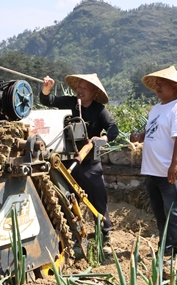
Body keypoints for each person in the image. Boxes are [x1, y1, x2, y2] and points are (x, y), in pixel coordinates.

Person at [40, 73, 118, 255]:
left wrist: (103, 138)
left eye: (85, 88)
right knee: (67, 200)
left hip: (90, 163)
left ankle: (105, 236)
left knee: (98, 200)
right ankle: (73, 237)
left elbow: (113, 128)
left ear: (94, 93)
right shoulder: (70, 103)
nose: (80, 90)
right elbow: (48, 100)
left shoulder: (100, 110)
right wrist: (46, 88)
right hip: (66, 163)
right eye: (79, 87)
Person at [130, 66, 177, 256]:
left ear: (174, 87)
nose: (158, 87)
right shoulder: (156, 110)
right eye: (156, 84)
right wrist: (140, 136)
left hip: (171, 172)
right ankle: (166, 247)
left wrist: (174, 165)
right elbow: (154, 131)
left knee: (174, 213)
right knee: (160, 213)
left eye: (162, 83)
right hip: (154, 171)